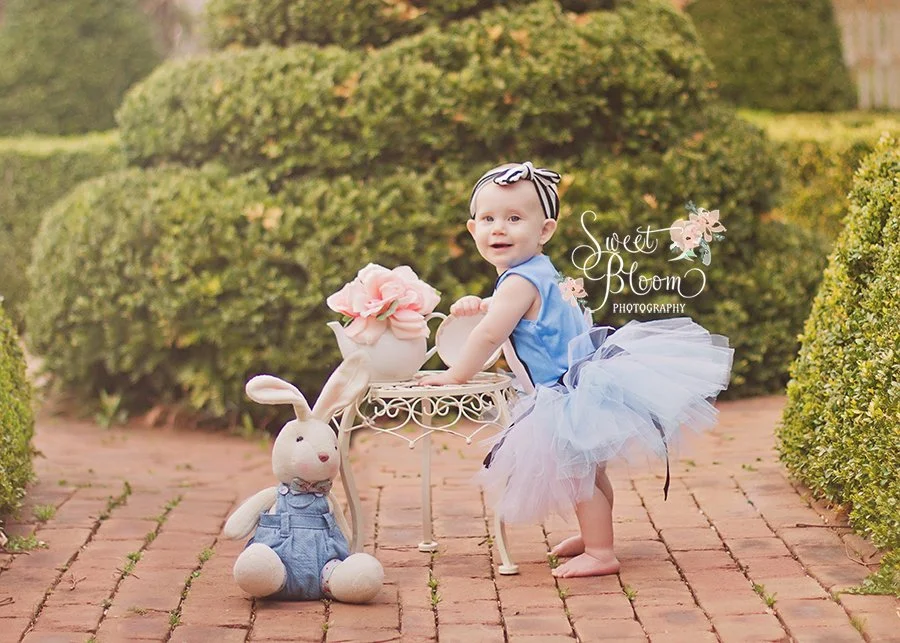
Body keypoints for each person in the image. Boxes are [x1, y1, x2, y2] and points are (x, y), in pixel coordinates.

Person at [416, 161, 733, 578]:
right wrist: (481, 302)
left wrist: (456, 374)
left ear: (544, 230)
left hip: (563, 392)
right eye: (489, 219)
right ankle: (593, 536)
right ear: (472, 229)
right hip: (585, 380)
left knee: (578, 476)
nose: (499, 229)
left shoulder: (516, 282)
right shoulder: (534, 271)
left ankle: (602, 553)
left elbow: (490, 335)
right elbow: (515, 311)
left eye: (514, 219)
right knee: (590, 472)